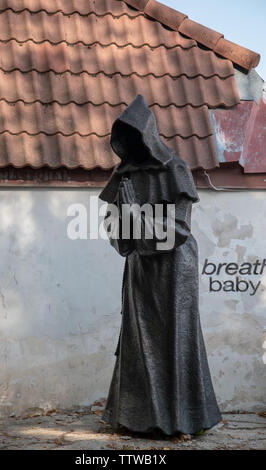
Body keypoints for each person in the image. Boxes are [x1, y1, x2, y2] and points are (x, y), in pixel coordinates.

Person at [99, 95, 221, 435]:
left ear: (148, 135)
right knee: (139, 344)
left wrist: (136, 217)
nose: (132, 144)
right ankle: (136, 418)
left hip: (174, 270)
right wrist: (122, 222)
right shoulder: (123, 176)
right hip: (141, 268)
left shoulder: (174, 169)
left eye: (136, 135)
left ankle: (183, 419)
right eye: (126, 137)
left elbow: (179, 229)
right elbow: (114, 230)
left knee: (176, 340)